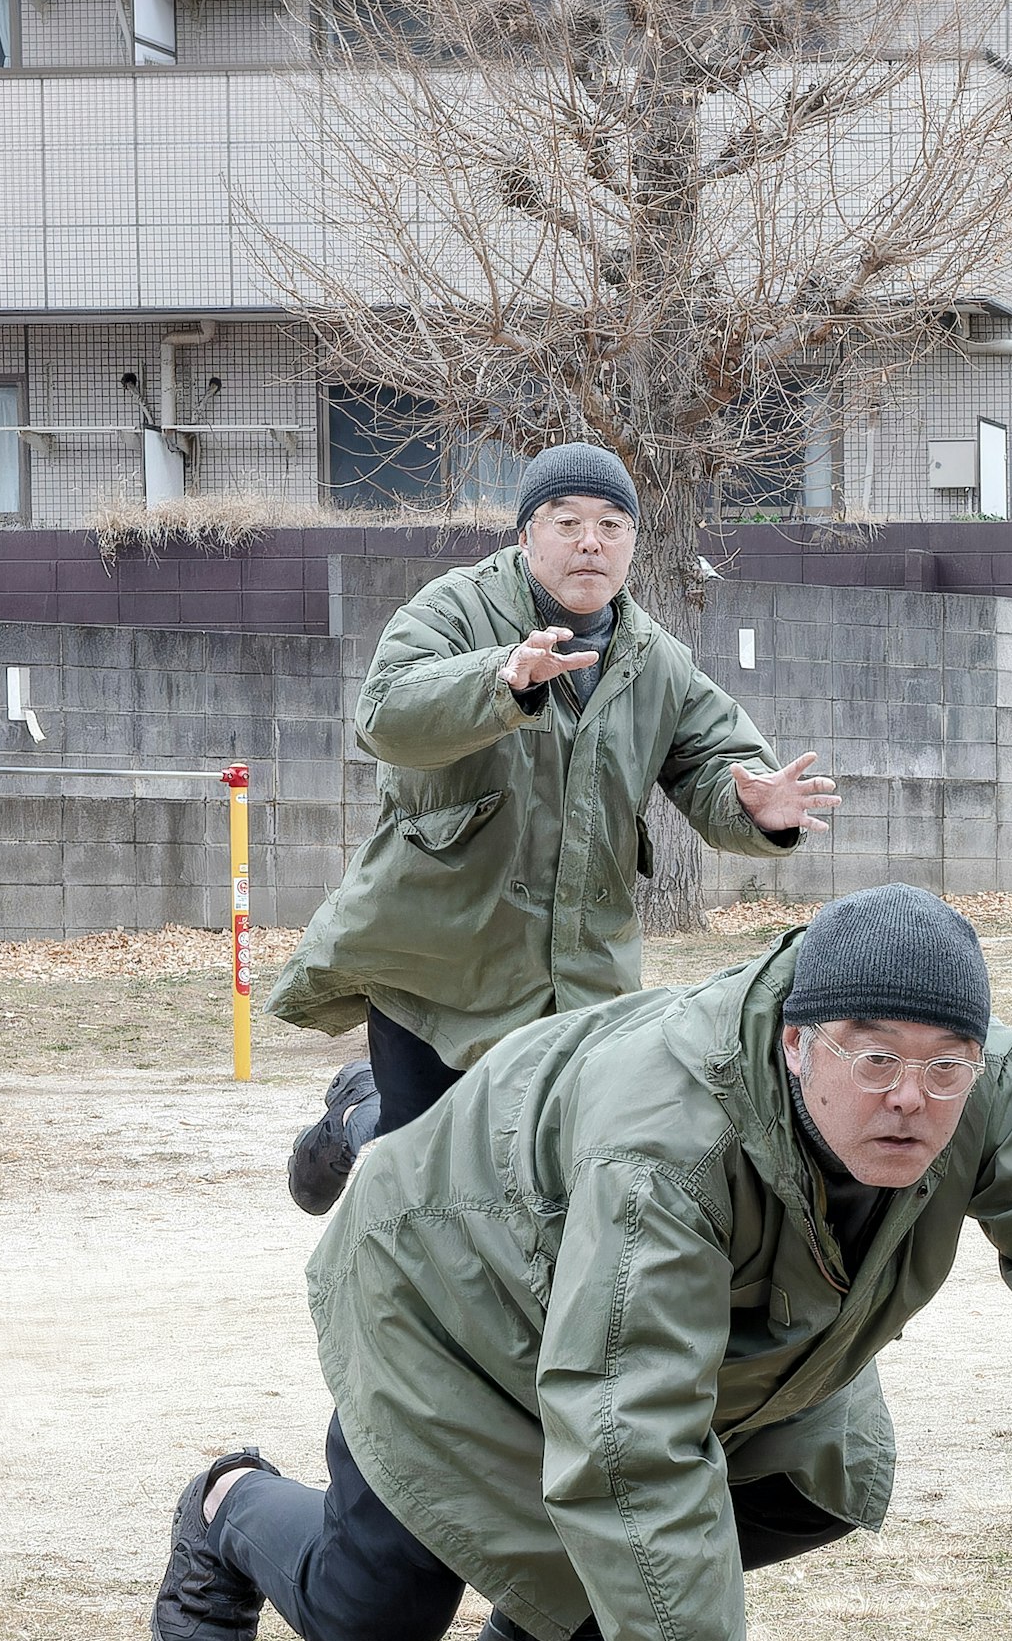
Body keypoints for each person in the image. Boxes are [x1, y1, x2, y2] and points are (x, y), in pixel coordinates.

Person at [157, 885, 1012, 1641]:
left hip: (690, 1328)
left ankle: (573, 1621)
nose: (912, 1096)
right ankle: (226, 1506)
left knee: (825, 1474)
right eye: (874, 1059)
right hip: (455, 1295)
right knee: (374, 1617)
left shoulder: (975, 1078)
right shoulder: (668, 1139)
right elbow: (628, 1424)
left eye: (945, 1065)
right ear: (799, 1045)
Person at [273, 441, 842, 1209]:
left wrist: (752, 809)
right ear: (525, 534)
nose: (590, 542)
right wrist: (501, 679)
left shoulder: (655, 659)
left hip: (577, 978)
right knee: (417, 1174)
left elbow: (719, 766)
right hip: (438, 961)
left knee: (559, 1177)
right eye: (567, 521)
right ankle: (357, 1114)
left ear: (634, 544)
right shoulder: (456, 608)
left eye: (612, 525)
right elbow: (387, 714)